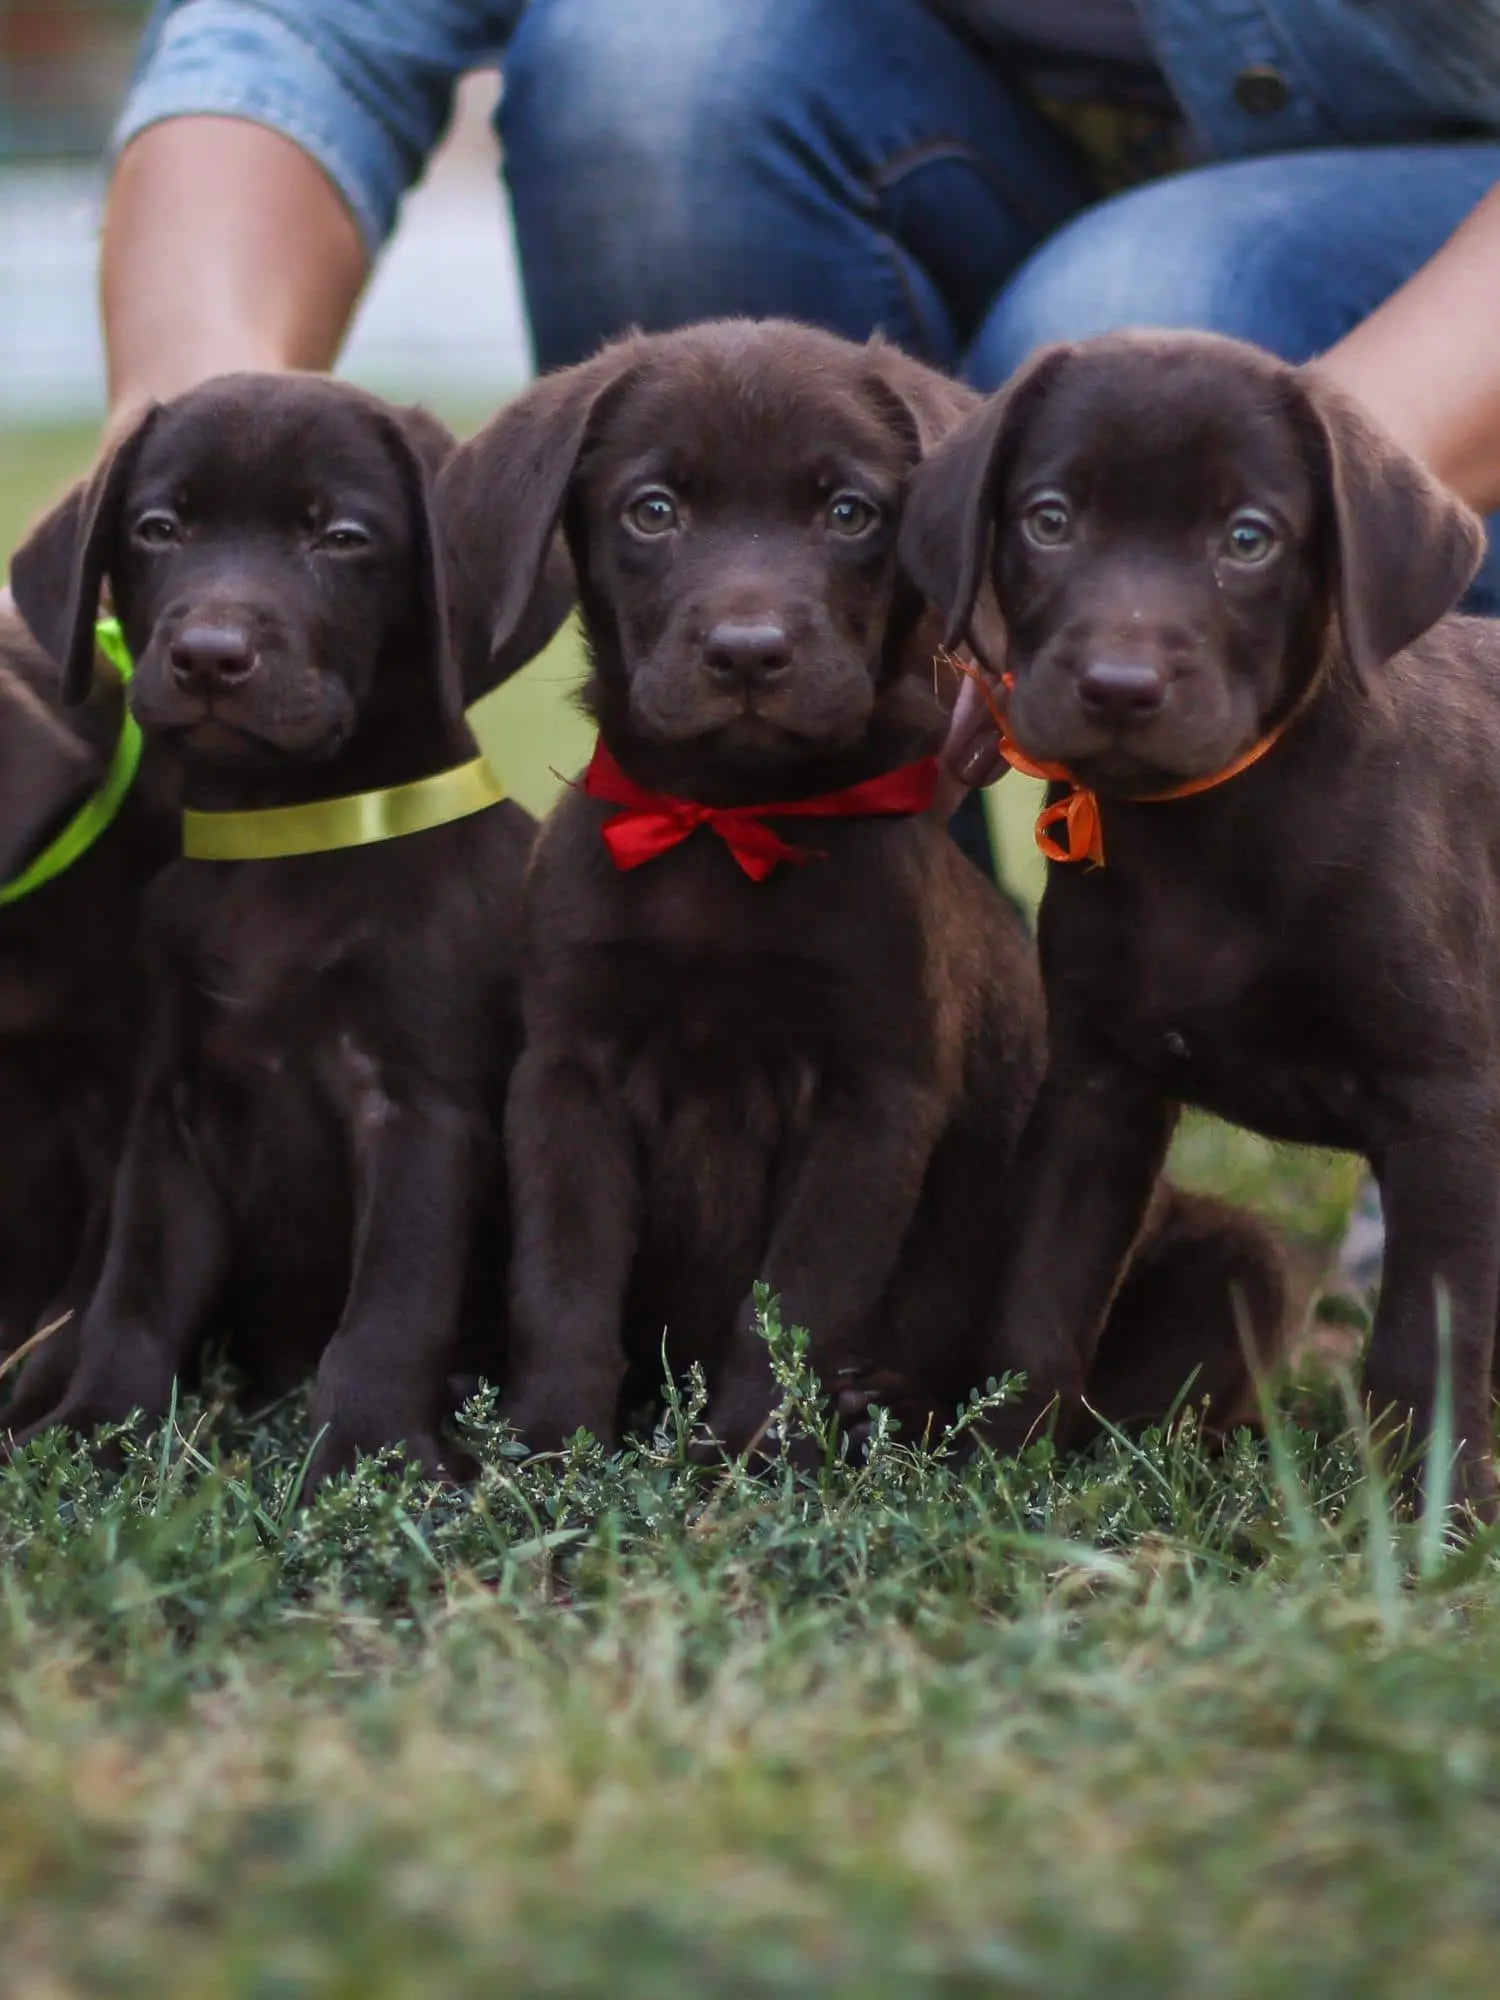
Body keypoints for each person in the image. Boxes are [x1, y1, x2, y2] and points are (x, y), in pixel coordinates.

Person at [43, 0, 1500, 1286]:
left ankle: (1382, 972)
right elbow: (297, 24)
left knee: (1130, 305)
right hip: (958, 129)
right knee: (660, 56)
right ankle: (894, 975)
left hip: (1427, 229)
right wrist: (166, 450)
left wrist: (1228, 517)